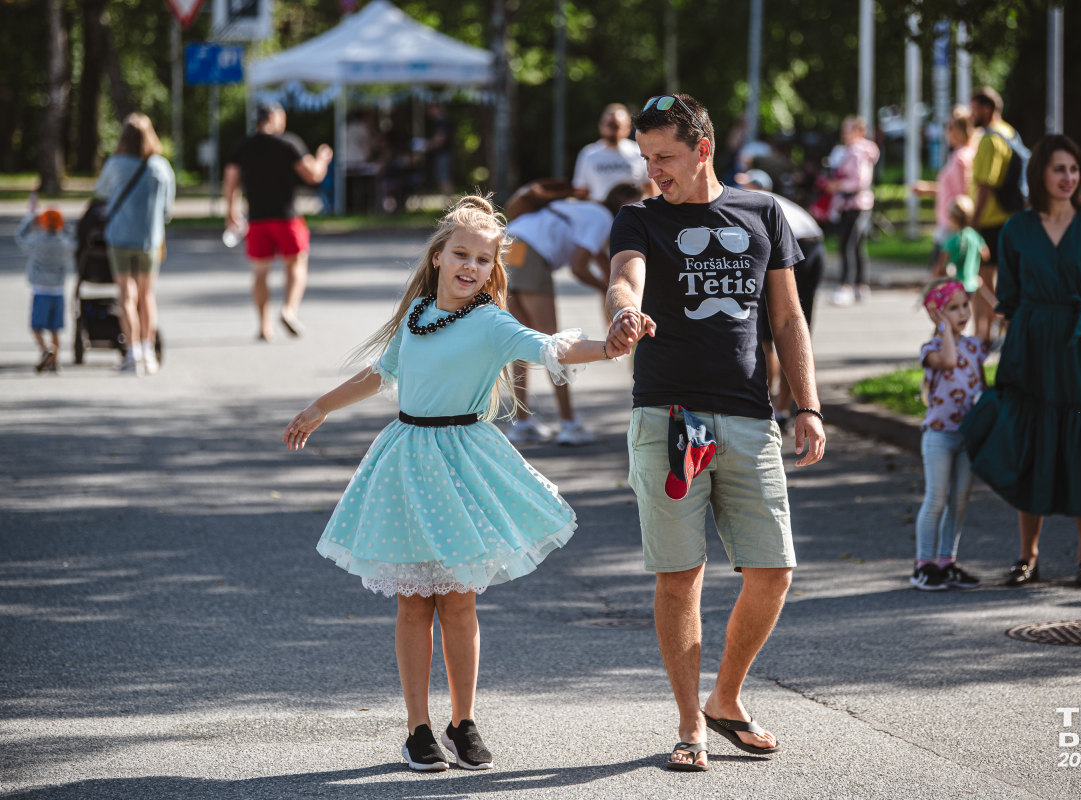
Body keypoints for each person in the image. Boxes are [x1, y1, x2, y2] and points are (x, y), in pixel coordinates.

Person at [282, 196, 614, 772]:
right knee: (414, 604)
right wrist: (320, 407)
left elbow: (548, 346)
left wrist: (608, 346)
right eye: (461, 254)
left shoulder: (490, 322)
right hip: (406, 462)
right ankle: (418, 730)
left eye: (484, 261)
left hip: (462, 462)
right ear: (438, 257)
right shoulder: (414, 317)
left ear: (493, 270)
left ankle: (464, 723)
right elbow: (381, 373)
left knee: (459, 602)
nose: (471, 267)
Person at [606, 94, 826, 772]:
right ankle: (689, 723)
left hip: (749, 416)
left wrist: (808, 407)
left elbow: (787, 321)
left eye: (664, 158)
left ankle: (726, 699)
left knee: (774, 570)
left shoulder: (762, 213)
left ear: (703, 149)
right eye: (645, 158)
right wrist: (624, 312)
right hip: (670, 418)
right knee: (681, 576)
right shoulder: (639, 218)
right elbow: (625, 277)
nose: (654, 172)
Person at [960, 135, 1081, 590]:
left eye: (1074, 170)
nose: (1067, 178)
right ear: (1040, 172)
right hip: (1031, 344)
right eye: (1059, 169)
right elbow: (1010, 300)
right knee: (1030, 442)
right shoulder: (1018, 230)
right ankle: (1027, 556)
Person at [505, 182, 643, 445]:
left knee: (518, 342)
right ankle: (569, 424)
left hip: (508, 246)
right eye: (636, 203)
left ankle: (521, 423)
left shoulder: (586, 211)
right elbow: (580, 267)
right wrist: (608, 291)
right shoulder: (604, 218)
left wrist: (615, 286)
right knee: (552, 346)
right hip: (532, 253)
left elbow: (603, 262)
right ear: (623, 202)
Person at [224, 101, 333, 341]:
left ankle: (264, 326)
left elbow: (231, 180)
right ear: (273, 118)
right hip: (286, 217)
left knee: (260, 273)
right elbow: (313, 175)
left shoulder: (242, 146)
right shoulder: (288, 142)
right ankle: (289, 309)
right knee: (296, 264)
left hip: (257, 219)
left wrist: (230, 211)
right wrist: (323, 158)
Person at [910, 279, 987, 592]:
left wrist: (983, 290)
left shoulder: (975, 346)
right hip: (939, 436)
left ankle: (946, 562)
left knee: (959, 502)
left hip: (967, 436)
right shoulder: (930, 349)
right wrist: (943, 328)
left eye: (964, 305)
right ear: (937, 314)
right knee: (936, 499)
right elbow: (949, 361)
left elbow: (994, 321)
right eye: (952, 308)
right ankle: (924, 565)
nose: (962, 313)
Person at [736, 168, 826, 424]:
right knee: (797, 329)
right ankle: (783, 409)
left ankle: (767, 408)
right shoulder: (777, 202)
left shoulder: (752, 205)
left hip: (792, 245)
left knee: (767, 336)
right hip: (814, 244)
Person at [95, 112, 175, 375]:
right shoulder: (161, 167)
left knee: (126, 296)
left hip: (119, 238)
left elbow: (101, 193)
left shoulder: (115, 164)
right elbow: (167, 211)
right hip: (149, 240)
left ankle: (133, 353)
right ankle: (149, 352)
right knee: (146, 296)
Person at [969, 87, 1026, 349]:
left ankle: (989, 331)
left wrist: (973, 222)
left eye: (974, 109)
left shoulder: (990, 140)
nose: (971, 115)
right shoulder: (1010, 132)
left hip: (990, 220)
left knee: (981, 279)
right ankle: (996, 329)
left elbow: (985, 185)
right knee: (1004, 278)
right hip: (1011, 216)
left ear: (987, 109)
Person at [15, 197, 75, 374]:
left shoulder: (35, 243)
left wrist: (32, 215)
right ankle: (55, 363)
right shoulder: (64, 245)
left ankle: (46, 348)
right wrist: (65, 225)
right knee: (55, 329)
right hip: (58, 291)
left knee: (36, 328)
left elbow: (20, 235)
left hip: (40, 290)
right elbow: (74, 239)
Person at [912, 106, 977, 263]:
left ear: (956, 130)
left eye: (948, 127)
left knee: (938, 273)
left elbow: (964, 195)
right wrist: (928, 189)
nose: (946, 132)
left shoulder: (962, 158)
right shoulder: (962, 154)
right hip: (949, 222)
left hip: (952, 225)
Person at [827, 115, 879, 307]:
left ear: (858, 131)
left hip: (854, 203)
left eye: (847, 129)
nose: (844, 133)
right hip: (858, 203)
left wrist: (837, 185)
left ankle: (845, 286)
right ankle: (860, 285)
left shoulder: (857, 151)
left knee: (847, 244)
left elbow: (859, 181)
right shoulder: (855, 150)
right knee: (856, 245)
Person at [572, 104, 655, 202]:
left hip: (631, 212)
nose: (612, 130)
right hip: (601, 213)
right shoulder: (588, 154)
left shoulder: (639, 152)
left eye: (616, 126)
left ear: (627, 128)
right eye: (609, 125)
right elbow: (581, 192)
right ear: (601, 126)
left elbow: (650, 189)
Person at [929, 196, 993, 322]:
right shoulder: (974, 236)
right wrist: (974, 264)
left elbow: (940, 264)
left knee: (953, 316)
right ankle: (981, 334)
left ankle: (954, 338)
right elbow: (986, 254)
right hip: (972, 282)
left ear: (952, 218)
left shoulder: (952, 240)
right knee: (977, 310)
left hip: (957, 286)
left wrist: (933, 280)